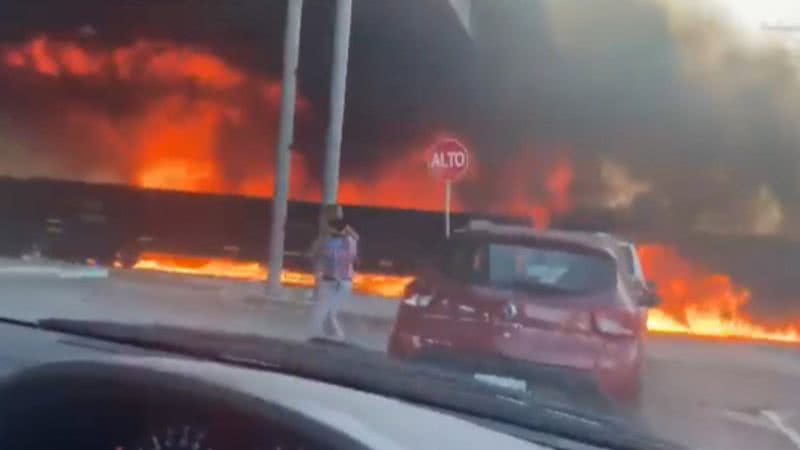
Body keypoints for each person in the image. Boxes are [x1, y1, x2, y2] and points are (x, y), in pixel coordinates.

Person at [307, 206, 359, 341]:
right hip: (337, 281)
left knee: (327, 313)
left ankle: (337, 338)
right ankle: (331, 338)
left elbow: (316, 255)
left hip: (337, 282)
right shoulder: (344, 241)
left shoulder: (336, 242)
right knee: (326, 313)